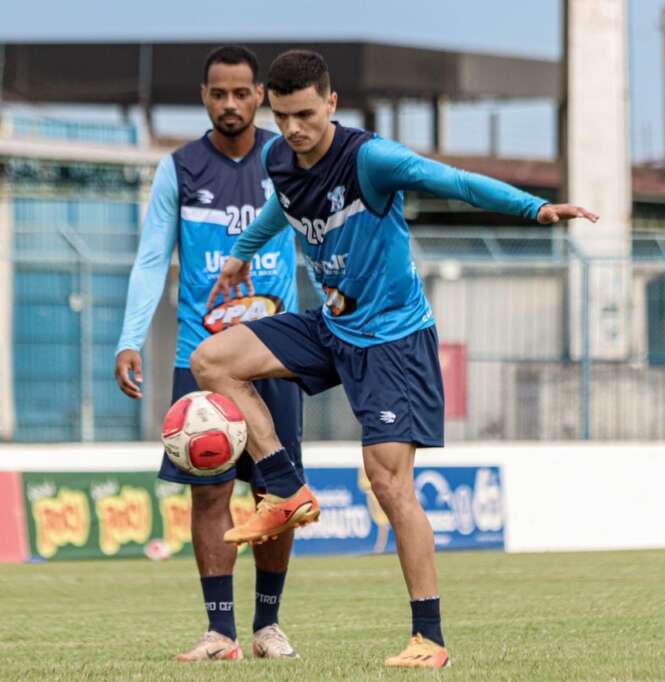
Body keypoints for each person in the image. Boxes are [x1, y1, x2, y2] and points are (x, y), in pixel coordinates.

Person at [191, 49, 599, 669]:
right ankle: (286, 488)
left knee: (388, 484)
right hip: (333, 325)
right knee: (213, 360)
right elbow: (284, 205)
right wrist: (242, 253)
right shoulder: (279, 157)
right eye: (282, 116)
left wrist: (533, 208)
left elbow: (454, 181)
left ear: (331, 104)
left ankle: (429, 638)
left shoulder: (371, 160)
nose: (293, 129)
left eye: (306, 115)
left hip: (393, 340)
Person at [114, 45, 306, 662]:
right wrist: (129, 337)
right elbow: (151, 260)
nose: (230, 104)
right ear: (204, 96)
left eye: (241, 93)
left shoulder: (288, 159)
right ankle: (221, 632)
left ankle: (268, 626)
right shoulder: (179, 169)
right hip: (200, 357)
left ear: (259, 96)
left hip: (275, 355)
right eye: (218, 93)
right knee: (209, 494)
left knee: (276, 497)